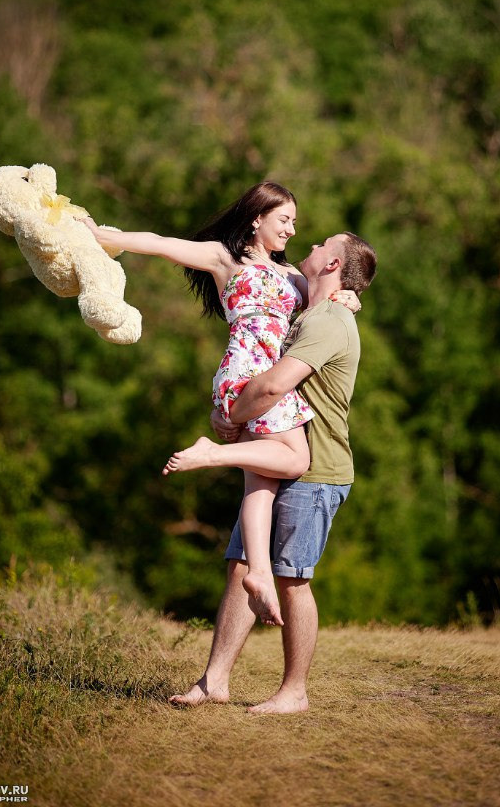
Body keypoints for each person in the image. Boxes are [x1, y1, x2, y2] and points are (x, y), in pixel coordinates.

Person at [80, 182, 356, 627]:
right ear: (256, 217)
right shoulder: (226, 259)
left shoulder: (294, 278)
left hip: (270, 376)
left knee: (260, 483)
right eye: (284, 219)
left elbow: (329, 294)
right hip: (251, 372)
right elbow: (162, 245)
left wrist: (350, 296)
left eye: (294, 222)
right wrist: (105, 237)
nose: (292, 229)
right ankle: (210, 453)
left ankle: (260, 576)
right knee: (295, 458)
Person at [169, 230, 377, 714]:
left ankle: (294, 692)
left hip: (315, 469)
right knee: (244, 568)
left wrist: (230, 418)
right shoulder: (311, 311)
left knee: (291, 579)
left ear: (331, 265)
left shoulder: (327, 321)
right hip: (276, 455)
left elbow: (273, 386)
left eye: (323, 245)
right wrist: (231, 417)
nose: (309, 243)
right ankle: (213, 681)